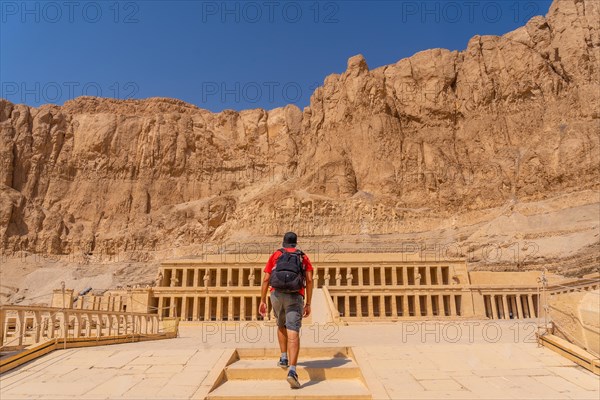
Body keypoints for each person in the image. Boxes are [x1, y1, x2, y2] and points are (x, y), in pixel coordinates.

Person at [259, 232, 313, 389]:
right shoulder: (303, 257)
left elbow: (266, 279)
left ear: (283, 243)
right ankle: (292, 371)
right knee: (293, 330)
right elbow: (309, 280)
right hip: (295, 296)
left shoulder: (276, 254)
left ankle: (283, 357)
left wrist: (262, 300)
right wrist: (308, 302)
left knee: (280, 324)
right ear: (295, 243)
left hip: (276, 295)